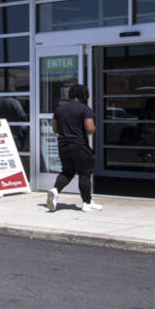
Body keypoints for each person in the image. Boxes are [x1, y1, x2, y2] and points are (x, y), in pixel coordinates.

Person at [46, 83, 102, 213]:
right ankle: (87, 203)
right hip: (79, 145)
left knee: (67, 171)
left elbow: (55, 129)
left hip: (63, 146)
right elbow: (89, 129)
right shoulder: (85, 109)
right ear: (83, 95)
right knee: (85, 172)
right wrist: (93, 128)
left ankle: (55, 190)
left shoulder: (59, 109)